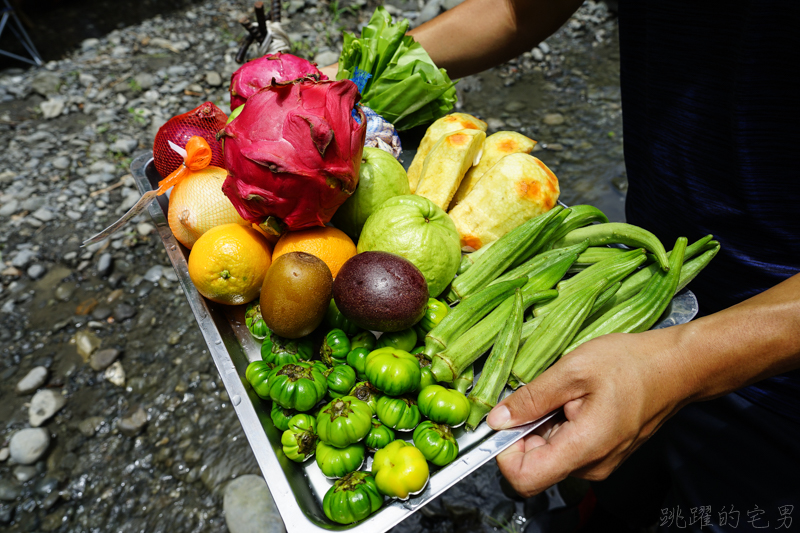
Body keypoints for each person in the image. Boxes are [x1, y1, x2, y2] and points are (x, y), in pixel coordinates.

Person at [326, 1, 800, 530]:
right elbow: (516, 11)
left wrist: (679, 362)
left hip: (779, 371)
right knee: (611, 498)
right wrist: (341, 88)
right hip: (641, 282)